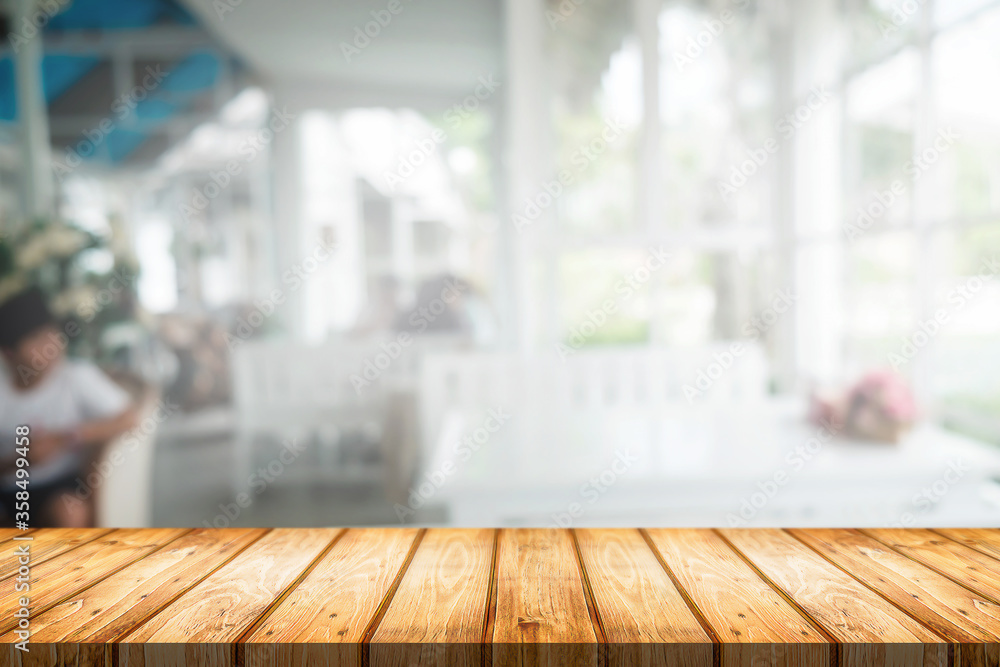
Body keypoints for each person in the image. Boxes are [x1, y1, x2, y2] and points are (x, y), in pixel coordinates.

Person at [0, 287, 140, 527]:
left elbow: (128, 417)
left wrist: (65, 437)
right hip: (9, 487)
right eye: (36, 339)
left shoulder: (75, 376)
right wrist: (20, 460)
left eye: (52, 333)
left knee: (70, 511)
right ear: (8, 352)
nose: (51, 345)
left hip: (62, 483)